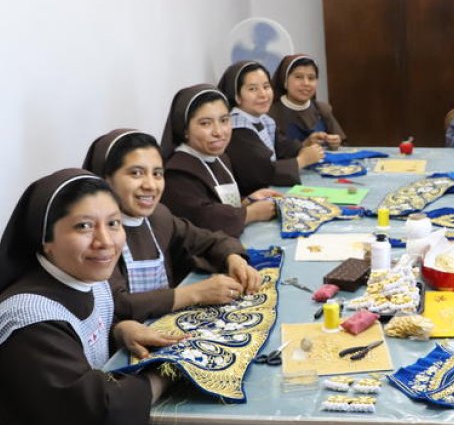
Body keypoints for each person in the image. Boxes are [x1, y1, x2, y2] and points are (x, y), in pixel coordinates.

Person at [0, 169, 185, 425]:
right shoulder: (27, 322)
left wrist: (121, 329)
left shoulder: (89, 280)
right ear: (46, 240)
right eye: (84, 226)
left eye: (114, 223)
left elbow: (87, 330)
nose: (105, 241)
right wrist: (167, 374)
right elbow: (98, 415)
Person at [83, 128, 261, 322]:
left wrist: (233, 258)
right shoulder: (94, 237)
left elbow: (209, 240)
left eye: (157, 174)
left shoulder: (159, 217)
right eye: (136, 173)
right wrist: (195, 293)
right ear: (105, 179)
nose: (150, 185)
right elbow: (118, 304)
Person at [160, 83, 281, 238]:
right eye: (205, 123)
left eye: (224, 120)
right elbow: (204, 219)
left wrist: (247, 201)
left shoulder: (220, 158)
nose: (218, 132)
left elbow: (219, 203)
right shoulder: (177, 173)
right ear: (184, 130)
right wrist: (251, 213)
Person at [218, 61, 325, 196]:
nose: (263, 94)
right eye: (252, 89)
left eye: (266, 86)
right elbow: (260, 172)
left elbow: (282, 146)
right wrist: (301, 160)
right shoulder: (236, 128)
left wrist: (305, 145)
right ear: (237, 96)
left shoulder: (262, 119)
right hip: (251, 198)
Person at [269, 54, 346, 148]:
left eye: (311, 78)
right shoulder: (270, 115)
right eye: (299, 77)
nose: (306, 83)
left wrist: (335, 143)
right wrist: (303, 145)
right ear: (285, 81)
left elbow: (342, 143)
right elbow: (270, 155)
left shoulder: (322, 109)